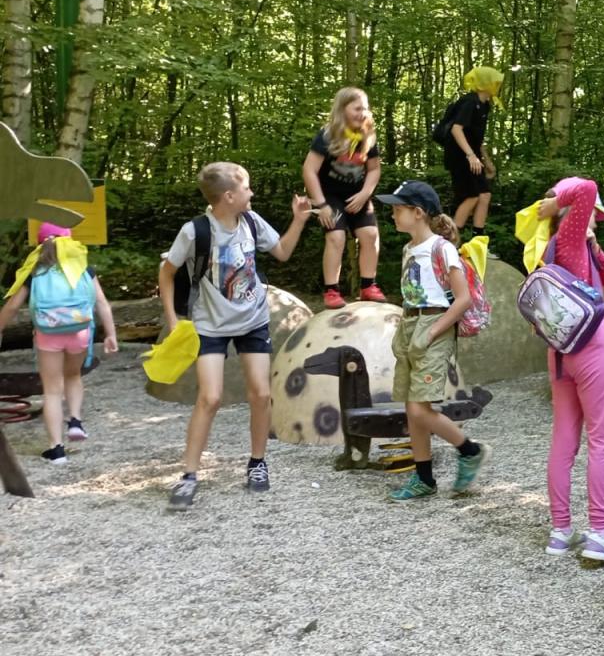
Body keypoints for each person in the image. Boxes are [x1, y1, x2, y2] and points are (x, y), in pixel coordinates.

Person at [158, 162, 311, 510]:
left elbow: (282, 252)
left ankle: (257, 462)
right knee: (209, 398)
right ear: (228, 196)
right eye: (246, 188)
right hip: (210, 325)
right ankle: (189, 475)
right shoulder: (195, 231)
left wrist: (299, 220)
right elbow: (167, 273)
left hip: (253, 320)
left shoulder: (251, 222)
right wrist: (172, 319)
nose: (251, 193)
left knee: (261, 393)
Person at [535, 177, 604, 561]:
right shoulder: (568, 236)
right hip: (591, 350)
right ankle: (600, 531)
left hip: (561, 353)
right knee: (602, 439)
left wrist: (594, 244)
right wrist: (556, 204)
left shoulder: (555, 246)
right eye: (593, 215)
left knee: (564, 440)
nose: (596, 218)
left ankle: (561, 531)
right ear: (576, 214)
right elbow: (587, 188)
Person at [375, 181, 489, 500]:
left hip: (433, 326)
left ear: (418, 212)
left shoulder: (442, 248)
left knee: (418, 410)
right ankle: (424, 479)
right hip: (411, 325)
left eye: (398, 209)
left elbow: (463, 299)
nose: (393, 215)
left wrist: (433, 331)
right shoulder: (409, 249)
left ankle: (469, 450)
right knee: (414, 409)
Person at [0, 223, 118, 463]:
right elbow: (101, 303)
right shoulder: (83, 268)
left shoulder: (35, 271)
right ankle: (75, 421)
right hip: (79, 332)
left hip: (47, 334)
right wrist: (111, 334)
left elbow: (12, 306)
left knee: (52, 390)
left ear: (40, 244)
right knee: (73, 376)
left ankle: (56, 450)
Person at [302, 87, 386, 309]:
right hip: (329, 196)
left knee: (370, 235)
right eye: (357, 108)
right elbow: (309, 170)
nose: (362, 113)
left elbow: (374, 169)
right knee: (336, 237)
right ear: (342, 109)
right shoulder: (327, 135)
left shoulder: (367, 135)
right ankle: (331, 290)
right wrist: (321, 204)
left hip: (357, 195)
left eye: (365, 109)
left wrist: (365, 194)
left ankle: (368, 286)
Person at [441, 67, 502, 236]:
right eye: (494, 81)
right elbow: (456, 129)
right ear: (485, 83)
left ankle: (478, 239)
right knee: (472, 196)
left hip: (473, 157)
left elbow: (477, 138)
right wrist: (471, 156)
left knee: (485, 195)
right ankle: (450, 240)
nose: (497, 85)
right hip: (459, 156)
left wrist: (486, 160)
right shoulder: (469, 102)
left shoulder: (485, 105)